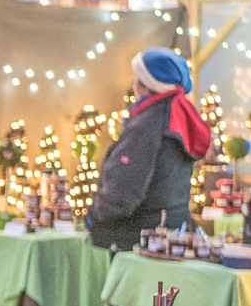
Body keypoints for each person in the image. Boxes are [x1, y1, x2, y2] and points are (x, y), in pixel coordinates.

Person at [88, 47, 210, 252]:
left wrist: (94, 216)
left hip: (140, 238)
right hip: (171, 231)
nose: (132, 82)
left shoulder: (147, 125)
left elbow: (124, 187)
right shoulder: (175, 116)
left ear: (146, 83)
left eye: (137, 76)